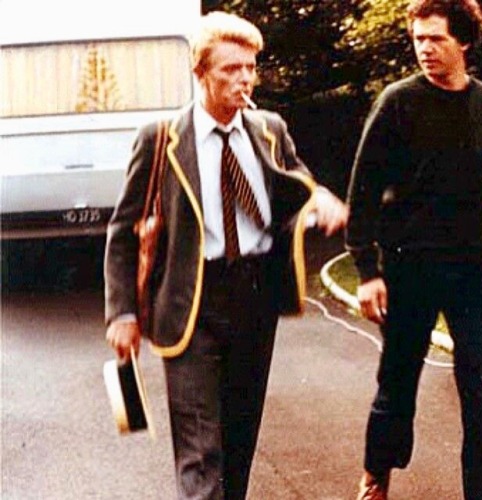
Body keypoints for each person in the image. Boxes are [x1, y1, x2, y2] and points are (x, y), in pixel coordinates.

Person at [104, 11, 347, 500]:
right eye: (229, 70)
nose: (243, 80)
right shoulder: (160, 139)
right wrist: (122, 312)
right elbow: (124, 229)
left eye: (250, 68)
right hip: (191, 302)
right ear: (200, 73)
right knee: (199, 448)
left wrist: (319, 198)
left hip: (254, 299)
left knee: (239, 440)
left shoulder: (270, 129)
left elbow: (297, 184)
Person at [345, 0, 482, 499]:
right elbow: (362, 191)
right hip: (409, 268)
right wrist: (368, 271)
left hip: (473, 271)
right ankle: (375, 479)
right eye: (418, 39)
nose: (425, 49)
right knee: (398, 385)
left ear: (465, 41)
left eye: (436, 39)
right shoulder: (397, 102)